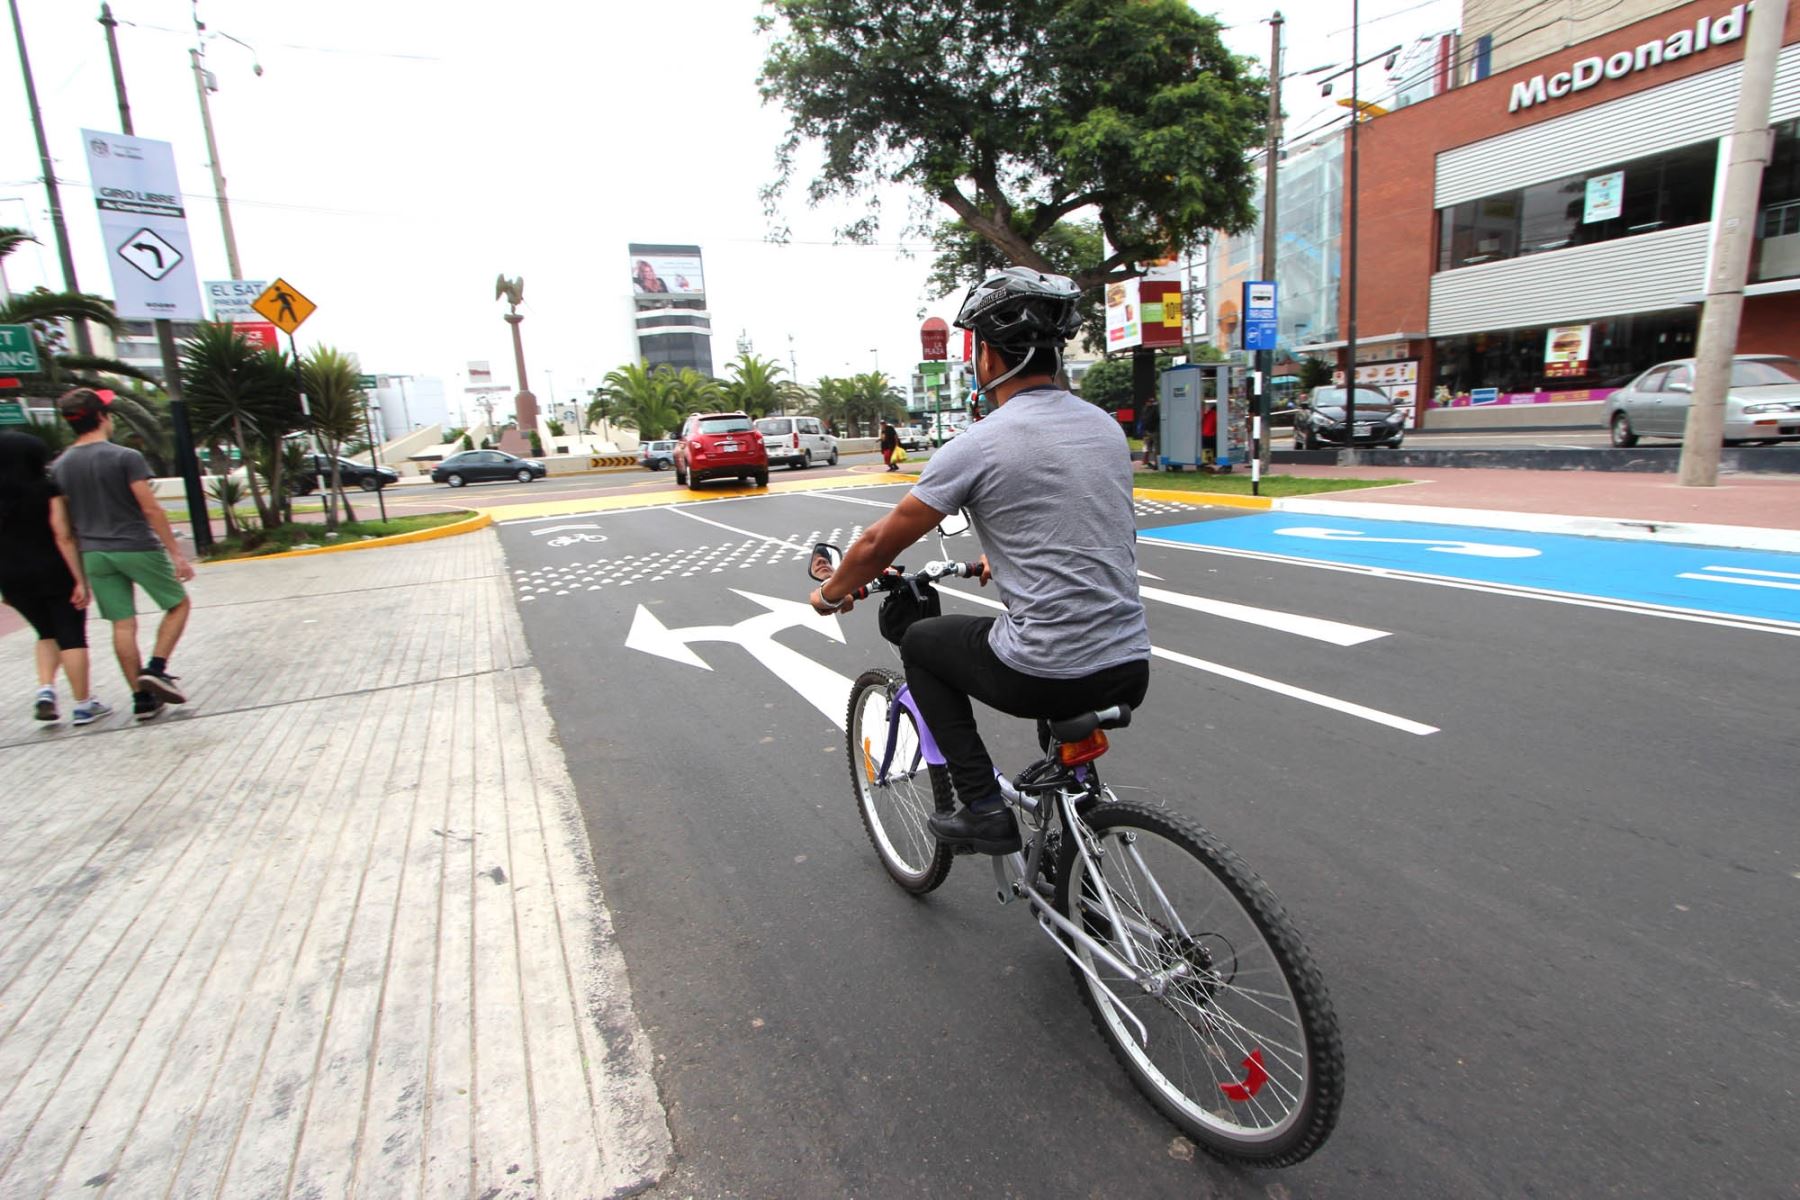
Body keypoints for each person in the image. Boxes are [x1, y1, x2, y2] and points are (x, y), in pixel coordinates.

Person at [809, 267, 1151, 854]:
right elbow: (1072, 509)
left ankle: (983, 807)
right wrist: (1001, 552)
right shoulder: (1102, 428)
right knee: (1068, 727)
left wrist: (831, 592)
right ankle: (1083, 847)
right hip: (1129, 661)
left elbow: (876, 545)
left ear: (988, 357)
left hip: (1045, 667)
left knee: (923, 644)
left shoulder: (980, 442)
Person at [51, 389, 196, 722]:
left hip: (94, 554)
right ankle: (156, 668)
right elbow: (150, 508)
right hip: (136, 546)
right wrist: (176, 554)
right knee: (178, 604)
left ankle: (141, 699)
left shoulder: (60, 466)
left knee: (122, 624)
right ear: (102, 417)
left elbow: (62, 528)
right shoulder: (125, 457)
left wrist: (78, 578)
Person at [0, 431, 107, 725]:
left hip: (12, 576)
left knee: (45, 632)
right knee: (71, 634)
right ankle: (84, 704)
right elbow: (63, 535)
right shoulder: (46, 489)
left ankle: (46, 689)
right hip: (53, 570)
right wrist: (79, 580)